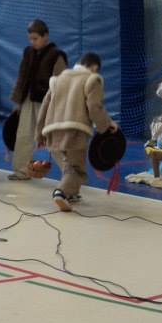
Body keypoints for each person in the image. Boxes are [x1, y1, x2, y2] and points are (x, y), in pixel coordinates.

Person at [35, 52, 117, 212]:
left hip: (52, 130)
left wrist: (39, 133)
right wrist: (107, 124)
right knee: (77, 170)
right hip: (75, 131)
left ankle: (71, 194)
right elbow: (94, 107)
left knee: (68, 166)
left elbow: (45, 105)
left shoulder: (58, 79)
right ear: (95, 67)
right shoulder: (92, 79)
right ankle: (60, 193)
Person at [8, 19, 67, 181]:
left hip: (47, 103)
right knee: (24, 134)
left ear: (45, 36)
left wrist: (57, 107)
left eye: (35, 38)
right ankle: (22, 171)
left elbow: (60, 84)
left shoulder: (57, 56)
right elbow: (22, 77)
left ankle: (71, 174)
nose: (32, 42)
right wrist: (18, 101)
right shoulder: (28, 52)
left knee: (52, 140)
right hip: (28, 99)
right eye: (30, 39)